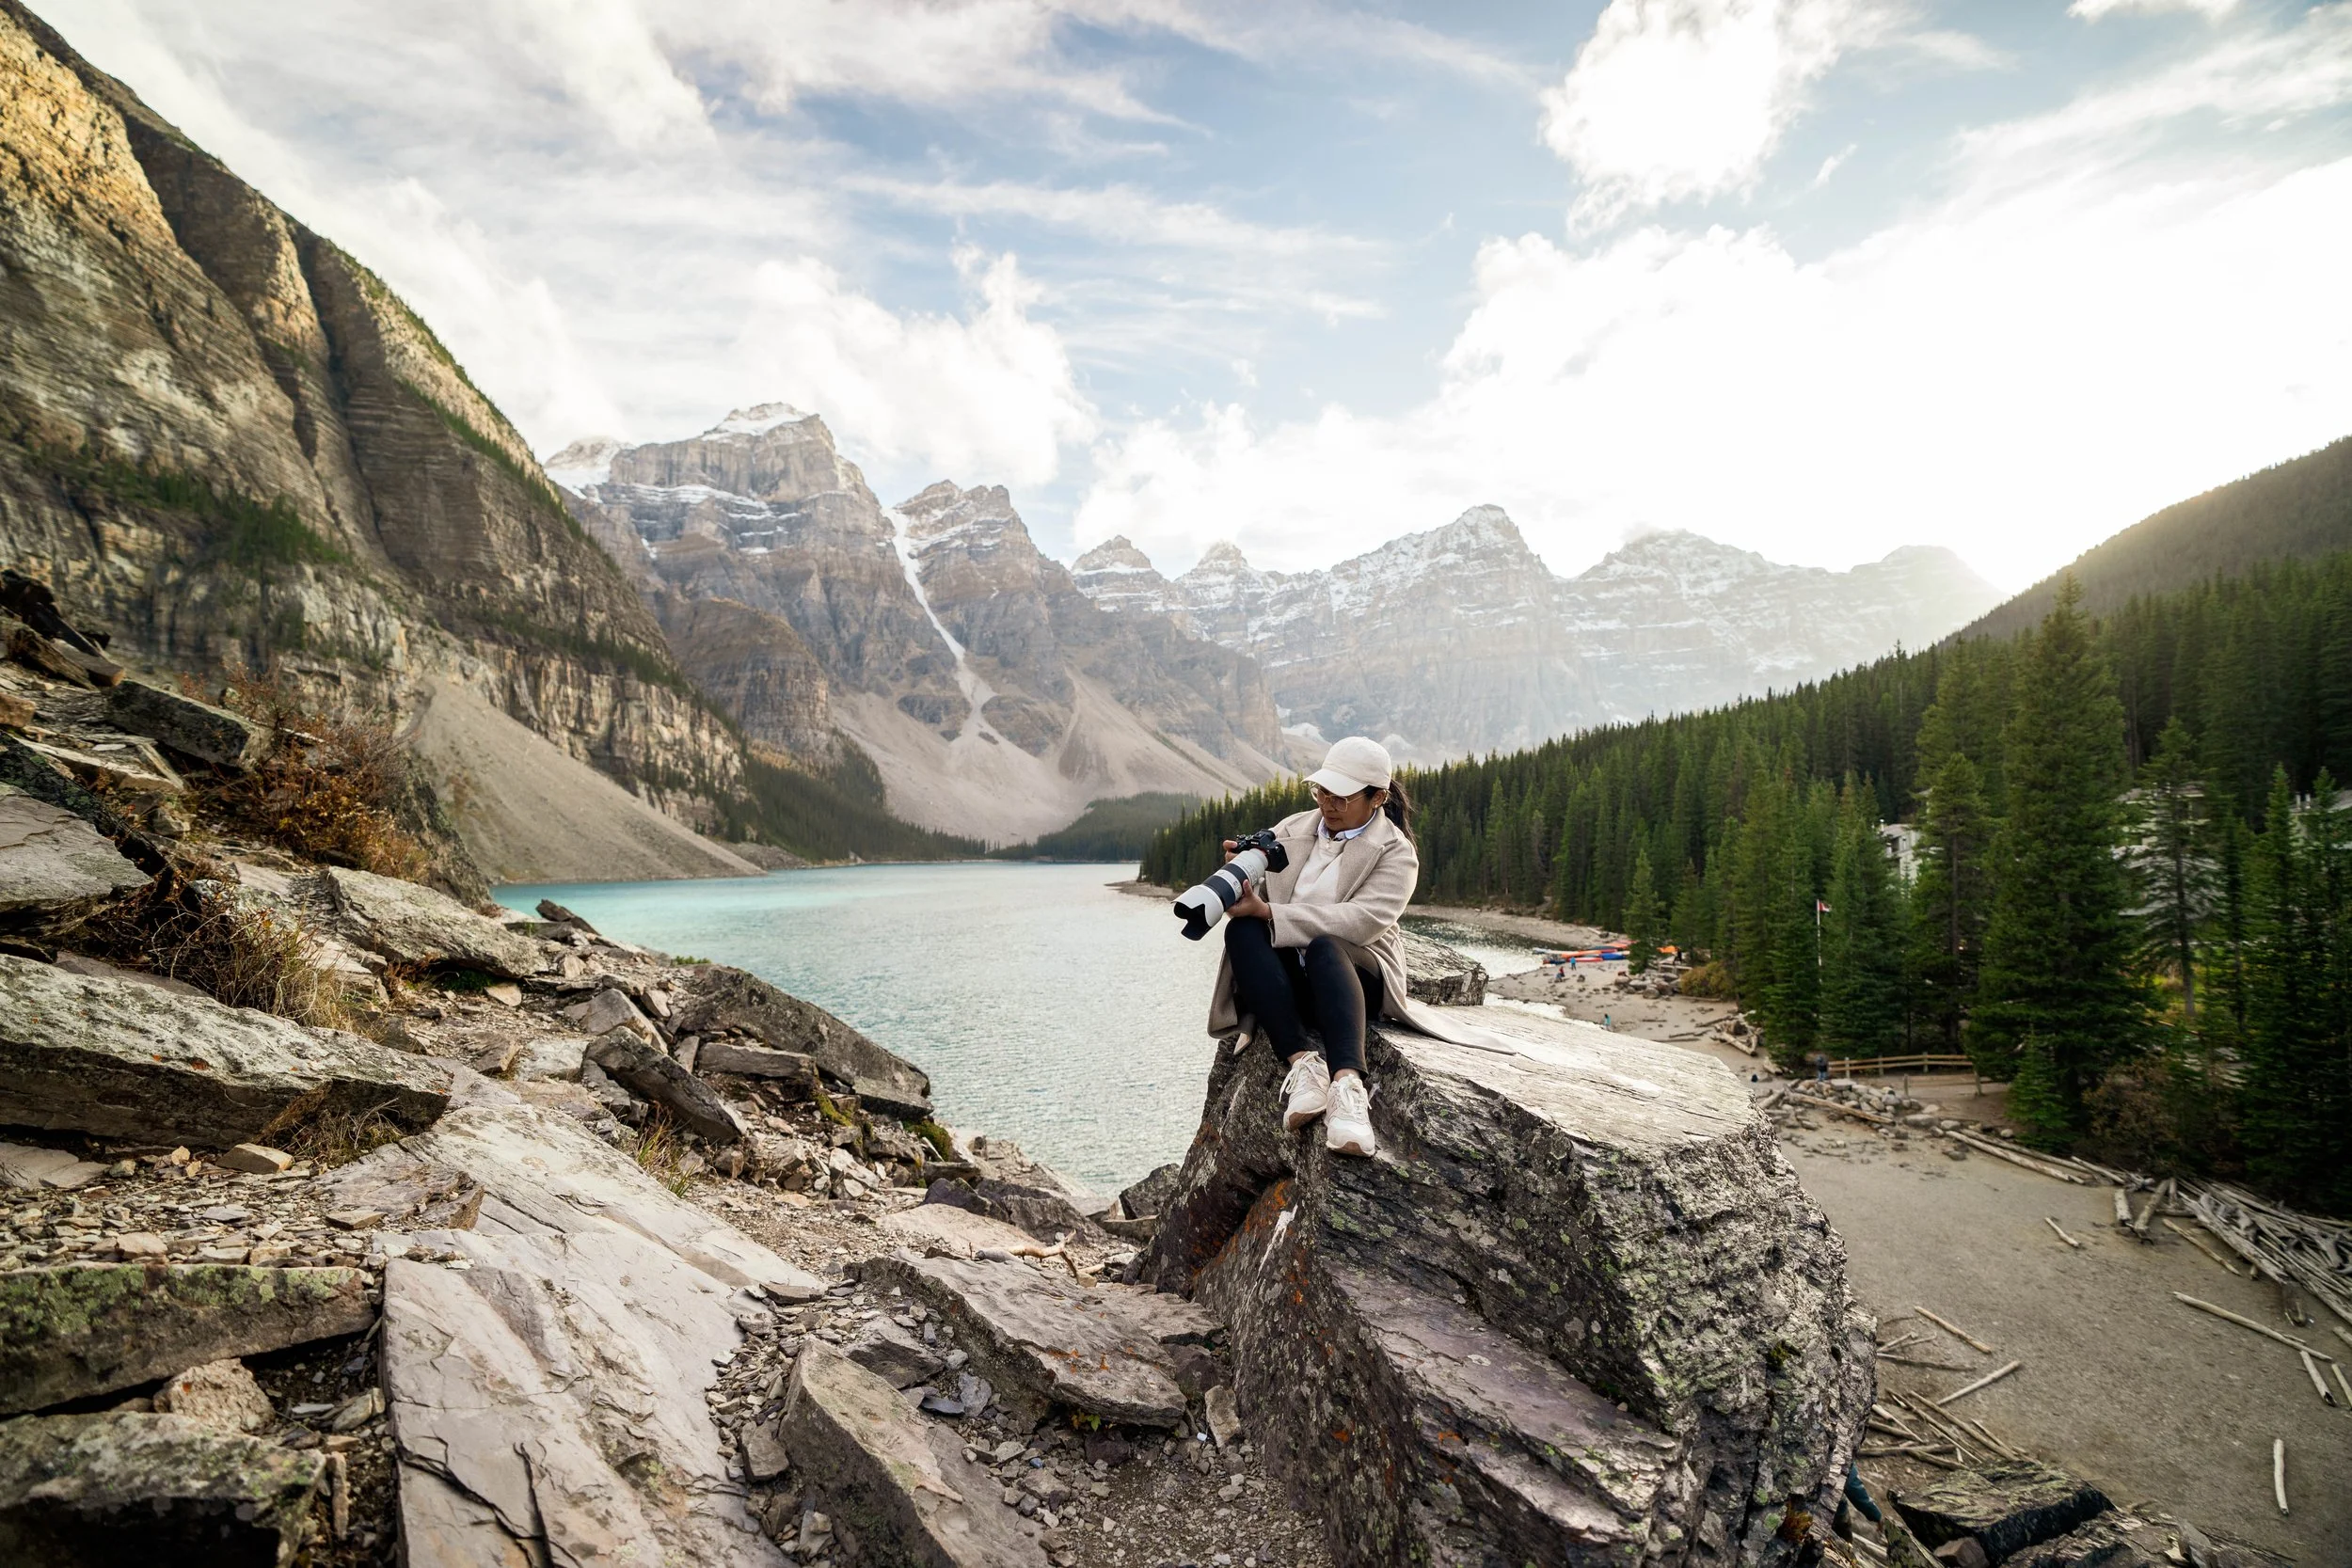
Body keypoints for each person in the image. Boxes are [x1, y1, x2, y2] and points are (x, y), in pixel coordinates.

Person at [1204, 736, 1417, 1158]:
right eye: (1321, 790)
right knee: (1242, 934)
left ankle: (1347, 1088)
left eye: (1341, 796)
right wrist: (1240, 878)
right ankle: (1303, 1064)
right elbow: (1258, 892)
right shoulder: (1292, 828)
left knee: (1325, 947)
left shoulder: (1397, 852)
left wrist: (1269, 913)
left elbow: (1361, 922)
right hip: (1296, 978)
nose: (1327, 802)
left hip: (1353, 978)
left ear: (1377, 798)